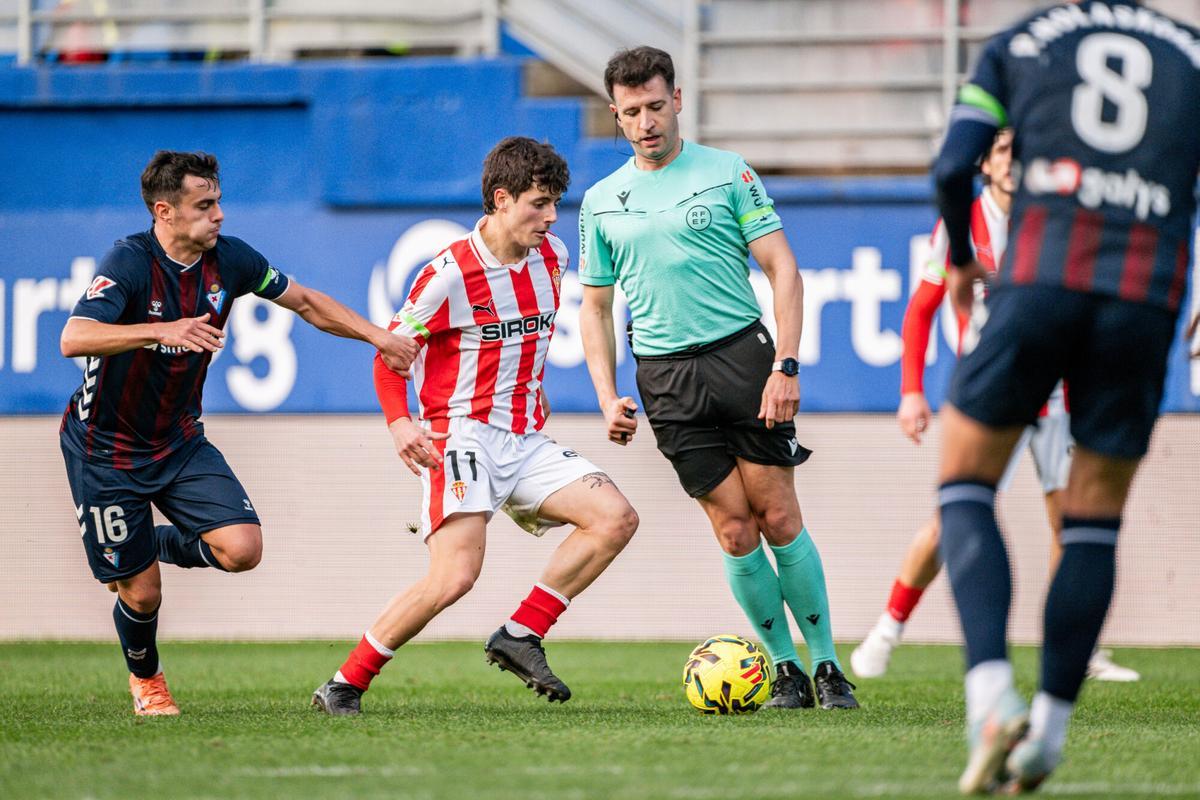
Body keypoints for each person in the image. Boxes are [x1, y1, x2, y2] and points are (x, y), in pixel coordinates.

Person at [931, 1, 1200, 792]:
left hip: (1040, 281)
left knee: (965, 482)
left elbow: (953, 167)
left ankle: (989, 694)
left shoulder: (1021, 41)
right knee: (1093, 523)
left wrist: (957, 256)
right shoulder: (1190, 51)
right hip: (1145, 299)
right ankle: (1048, 730)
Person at [59, 150, 418, 716]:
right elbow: (74, 337)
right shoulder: (129, 262)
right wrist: (161, 330)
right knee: (143, 593)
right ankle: (148, 681)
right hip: (105, 449)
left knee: (243, 549)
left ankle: (140, 545)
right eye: (205, 206)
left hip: (178, 440)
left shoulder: (229, 261)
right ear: (165, 211)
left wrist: (378, 336)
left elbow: (304, 302)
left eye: (219, 201)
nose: (219, 215)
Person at [311, 137, 639, 716]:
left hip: (526, 438)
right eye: (539, 203)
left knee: (615, 518)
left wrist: (604, 398)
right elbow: (390, 355)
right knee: (456, 575)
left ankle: (519, 634)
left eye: (556, 202)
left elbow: (571, 324)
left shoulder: (553, 255)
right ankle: (343, 683)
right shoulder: (448, 275)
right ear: (501, 198)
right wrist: (399, 424)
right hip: (460, 436)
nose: (551, 217)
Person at [578, 46, 857, 711]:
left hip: (742, 359)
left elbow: (784, 270)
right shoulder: (600, 201)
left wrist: (786, 364)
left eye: (654, 106)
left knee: (778, 515)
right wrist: (606, 394)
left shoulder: (729, 173)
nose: (645, 122)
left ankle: (828, 668)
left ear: (677, 100)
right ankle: (785, 670)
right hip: (665, 378)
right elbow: (595, 305)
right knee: (735, 531)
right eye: (630, 112)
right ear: (615, 116)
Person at [850, 129, 1138, 685]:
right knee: (950, 520)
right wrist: (911, 390)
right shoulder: (965, 225)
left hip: (1058, 395)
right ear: (986, 161)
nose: (1014, 162)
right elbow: (920, 311)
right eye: (1003, 151)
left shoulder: (1054, 220)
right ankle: (887, 630)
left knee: (1071, 523)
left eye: (1022, 151)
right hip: (993, 394)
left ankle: (1078, 648)